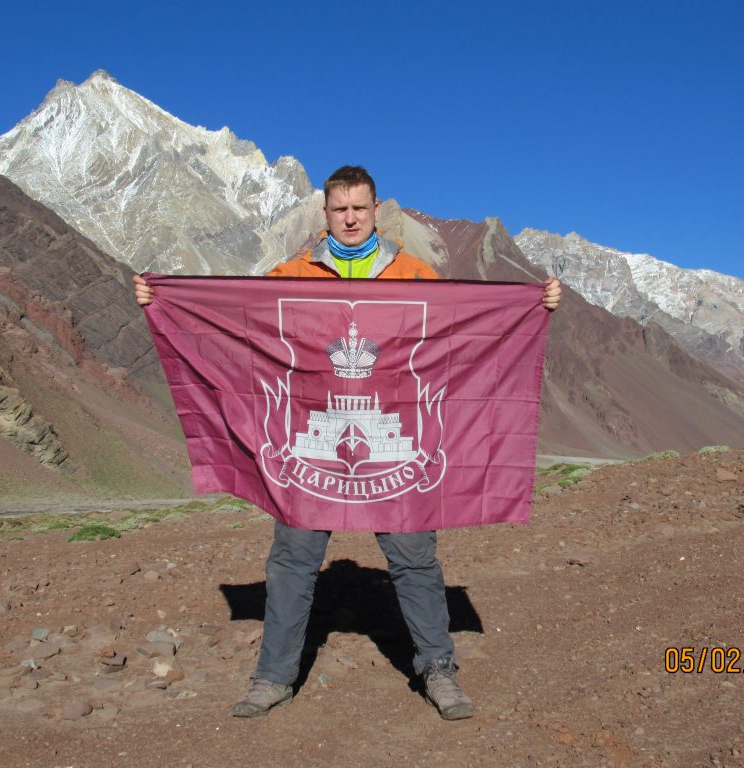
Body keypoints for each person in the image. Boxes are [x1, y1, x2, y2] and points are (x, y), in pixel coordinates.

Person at [133, 166, 561, 720]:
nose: (351, 218)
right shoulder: (291, 275)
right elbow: (238, 322)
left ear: (376, 210)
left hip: (394, 447)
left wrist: (534, 304)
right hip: (311, 446)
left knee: (414, 558)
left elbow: (463, 334)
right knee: (293, 558)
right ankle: (272, 676)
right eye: (340, 209)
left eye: (360, 208)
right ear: (326, 213)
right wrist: (160, 298)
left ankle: (438, 670)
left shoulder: (413, 275)